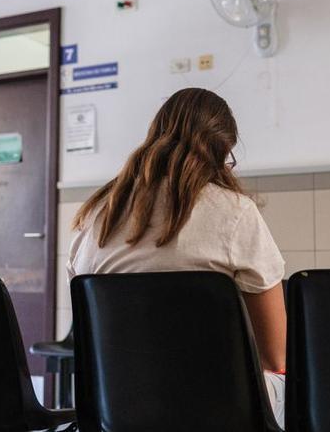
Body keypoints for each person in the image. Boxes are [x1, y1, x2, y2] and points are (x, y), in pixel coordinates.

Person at [67, 87, 286, 426]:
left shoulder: (97, 215)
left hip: (115, 405)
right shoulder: (235, 212)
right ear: (221, 149)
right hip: (219, 408)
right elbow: (275, 352)